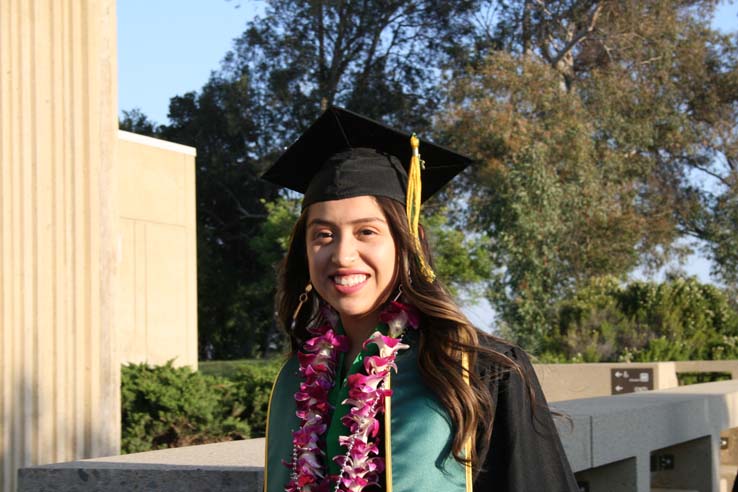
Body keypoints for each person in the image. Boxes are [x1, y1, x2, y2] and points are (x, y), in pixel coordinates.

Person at [261, 107, 579, 492]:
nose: (343, 255)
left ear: (406, 243)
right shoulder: (295, 380)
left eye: (366, 232)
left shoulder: (478, 371)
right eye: (323, 235)